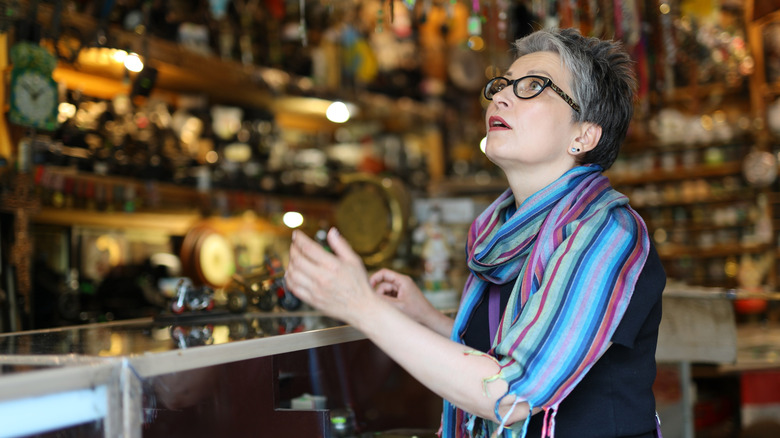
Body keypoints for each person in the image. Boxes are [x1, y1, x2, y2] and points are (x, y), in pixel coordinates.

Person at [285, 27, 666, 438]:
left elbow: (510, 394)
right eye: (502, 85)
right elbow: (508, 352)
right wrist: (427, 319)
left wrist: (362, 307)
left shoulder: (605, 234)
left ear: (583, 135)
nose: (500, 97)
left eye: (533, 86)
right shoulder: (499, 233)